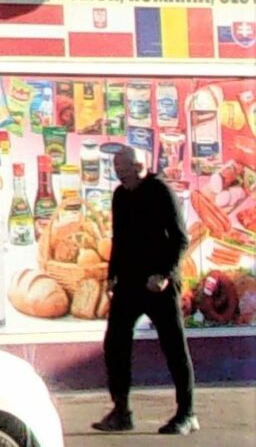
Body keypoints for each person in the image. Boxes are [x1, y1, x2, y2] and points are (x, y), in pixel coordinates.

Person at [93, 143, 195, 435]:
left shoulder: (160, 191)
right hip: (128, 283)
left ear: (140, 167)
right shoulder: (120, 196)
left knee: (173, 346)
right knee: (115, 344)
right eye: (116, 171)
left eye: (124, 171)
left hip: (158, 284)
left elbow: (180, 238)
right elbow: (119, 238)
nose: (120, 177)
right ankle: (121, 411)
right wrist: (111, 275)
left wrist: (164, 273)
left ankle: (186, 413)